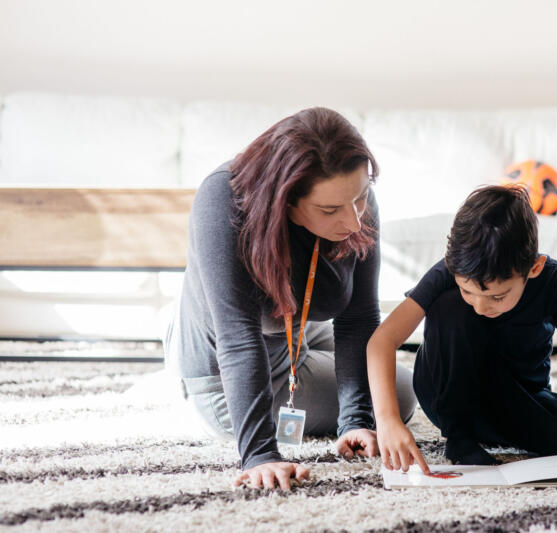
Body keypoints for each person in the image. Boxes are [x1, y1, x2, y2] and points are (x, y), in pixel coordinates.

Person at [164, 107, 416, 489]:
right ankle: (180, 386)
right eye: (330, 210)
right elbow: (236, 338)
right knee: (400, 390)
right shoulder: (223, 201)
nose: (353, 222)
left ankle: (312, 366)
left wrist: (356, 420)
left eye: (361, 198)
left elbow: (359, 318)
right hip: (225, 359)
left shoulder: (352, 195)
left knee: (383, 386)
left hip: (295, 327)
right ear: (284, 200)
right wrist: (260, 455)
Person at [367, 185, 557, 473]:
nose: (481, 307)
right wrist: (387, 420)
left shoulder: (556, 282)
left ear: (534, 269)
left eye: (498, 296)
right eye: (467, 291)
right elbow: (381, 341)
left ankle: (497, 431)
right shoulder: (448, 272)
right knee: (449, 306)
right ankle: (460, 439)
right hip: (445, 396)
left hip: (517, 400)